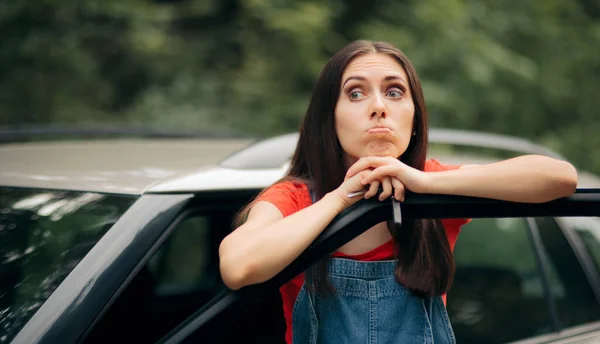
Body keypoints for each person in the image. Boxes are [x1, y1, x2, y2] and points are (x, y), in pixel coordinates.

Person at [219, 40, 578, 344]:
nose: (379, 107)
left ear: (414, 116)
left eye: (394, 92)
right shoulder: (294, 198)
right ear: (329, 117)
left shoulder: (433, 185)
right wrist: (341, 198)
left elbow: (559, 177)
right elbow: (239, 266)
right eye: (356, 93)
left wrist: (425, 184)